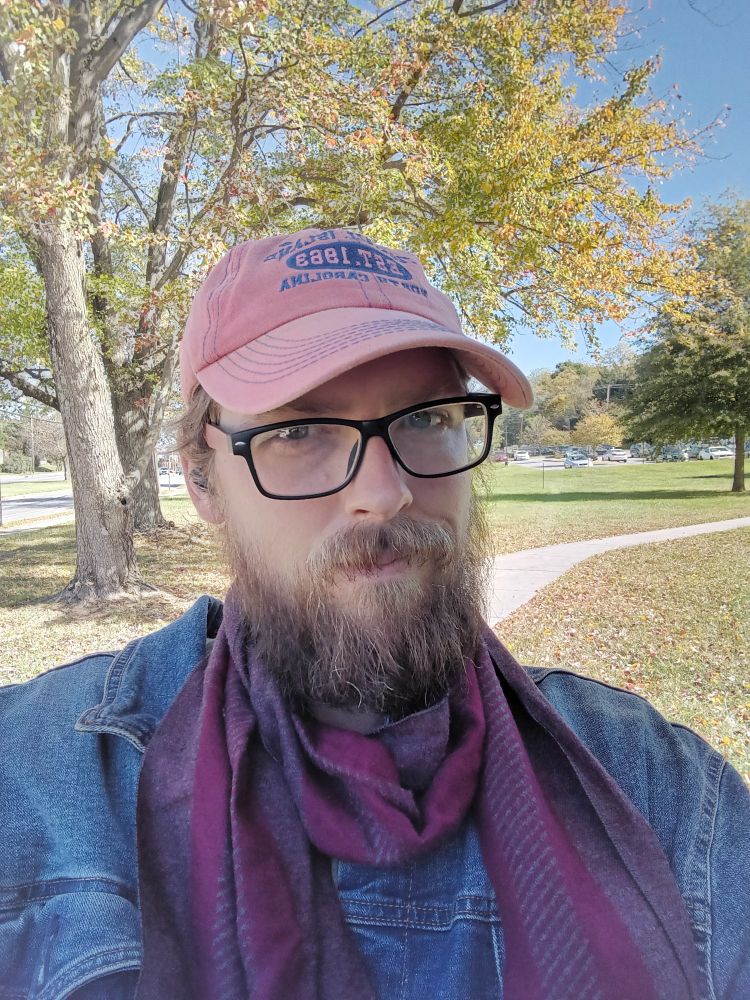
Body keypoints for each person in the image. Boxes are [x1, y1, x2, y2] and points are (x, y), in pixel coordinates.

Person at [1, 227, 748, 1000]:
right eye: (298, 431)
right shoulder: (36, 779)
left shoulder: (666, 795)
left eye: (426, 419)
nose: (385, 493)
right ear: (201, 480)